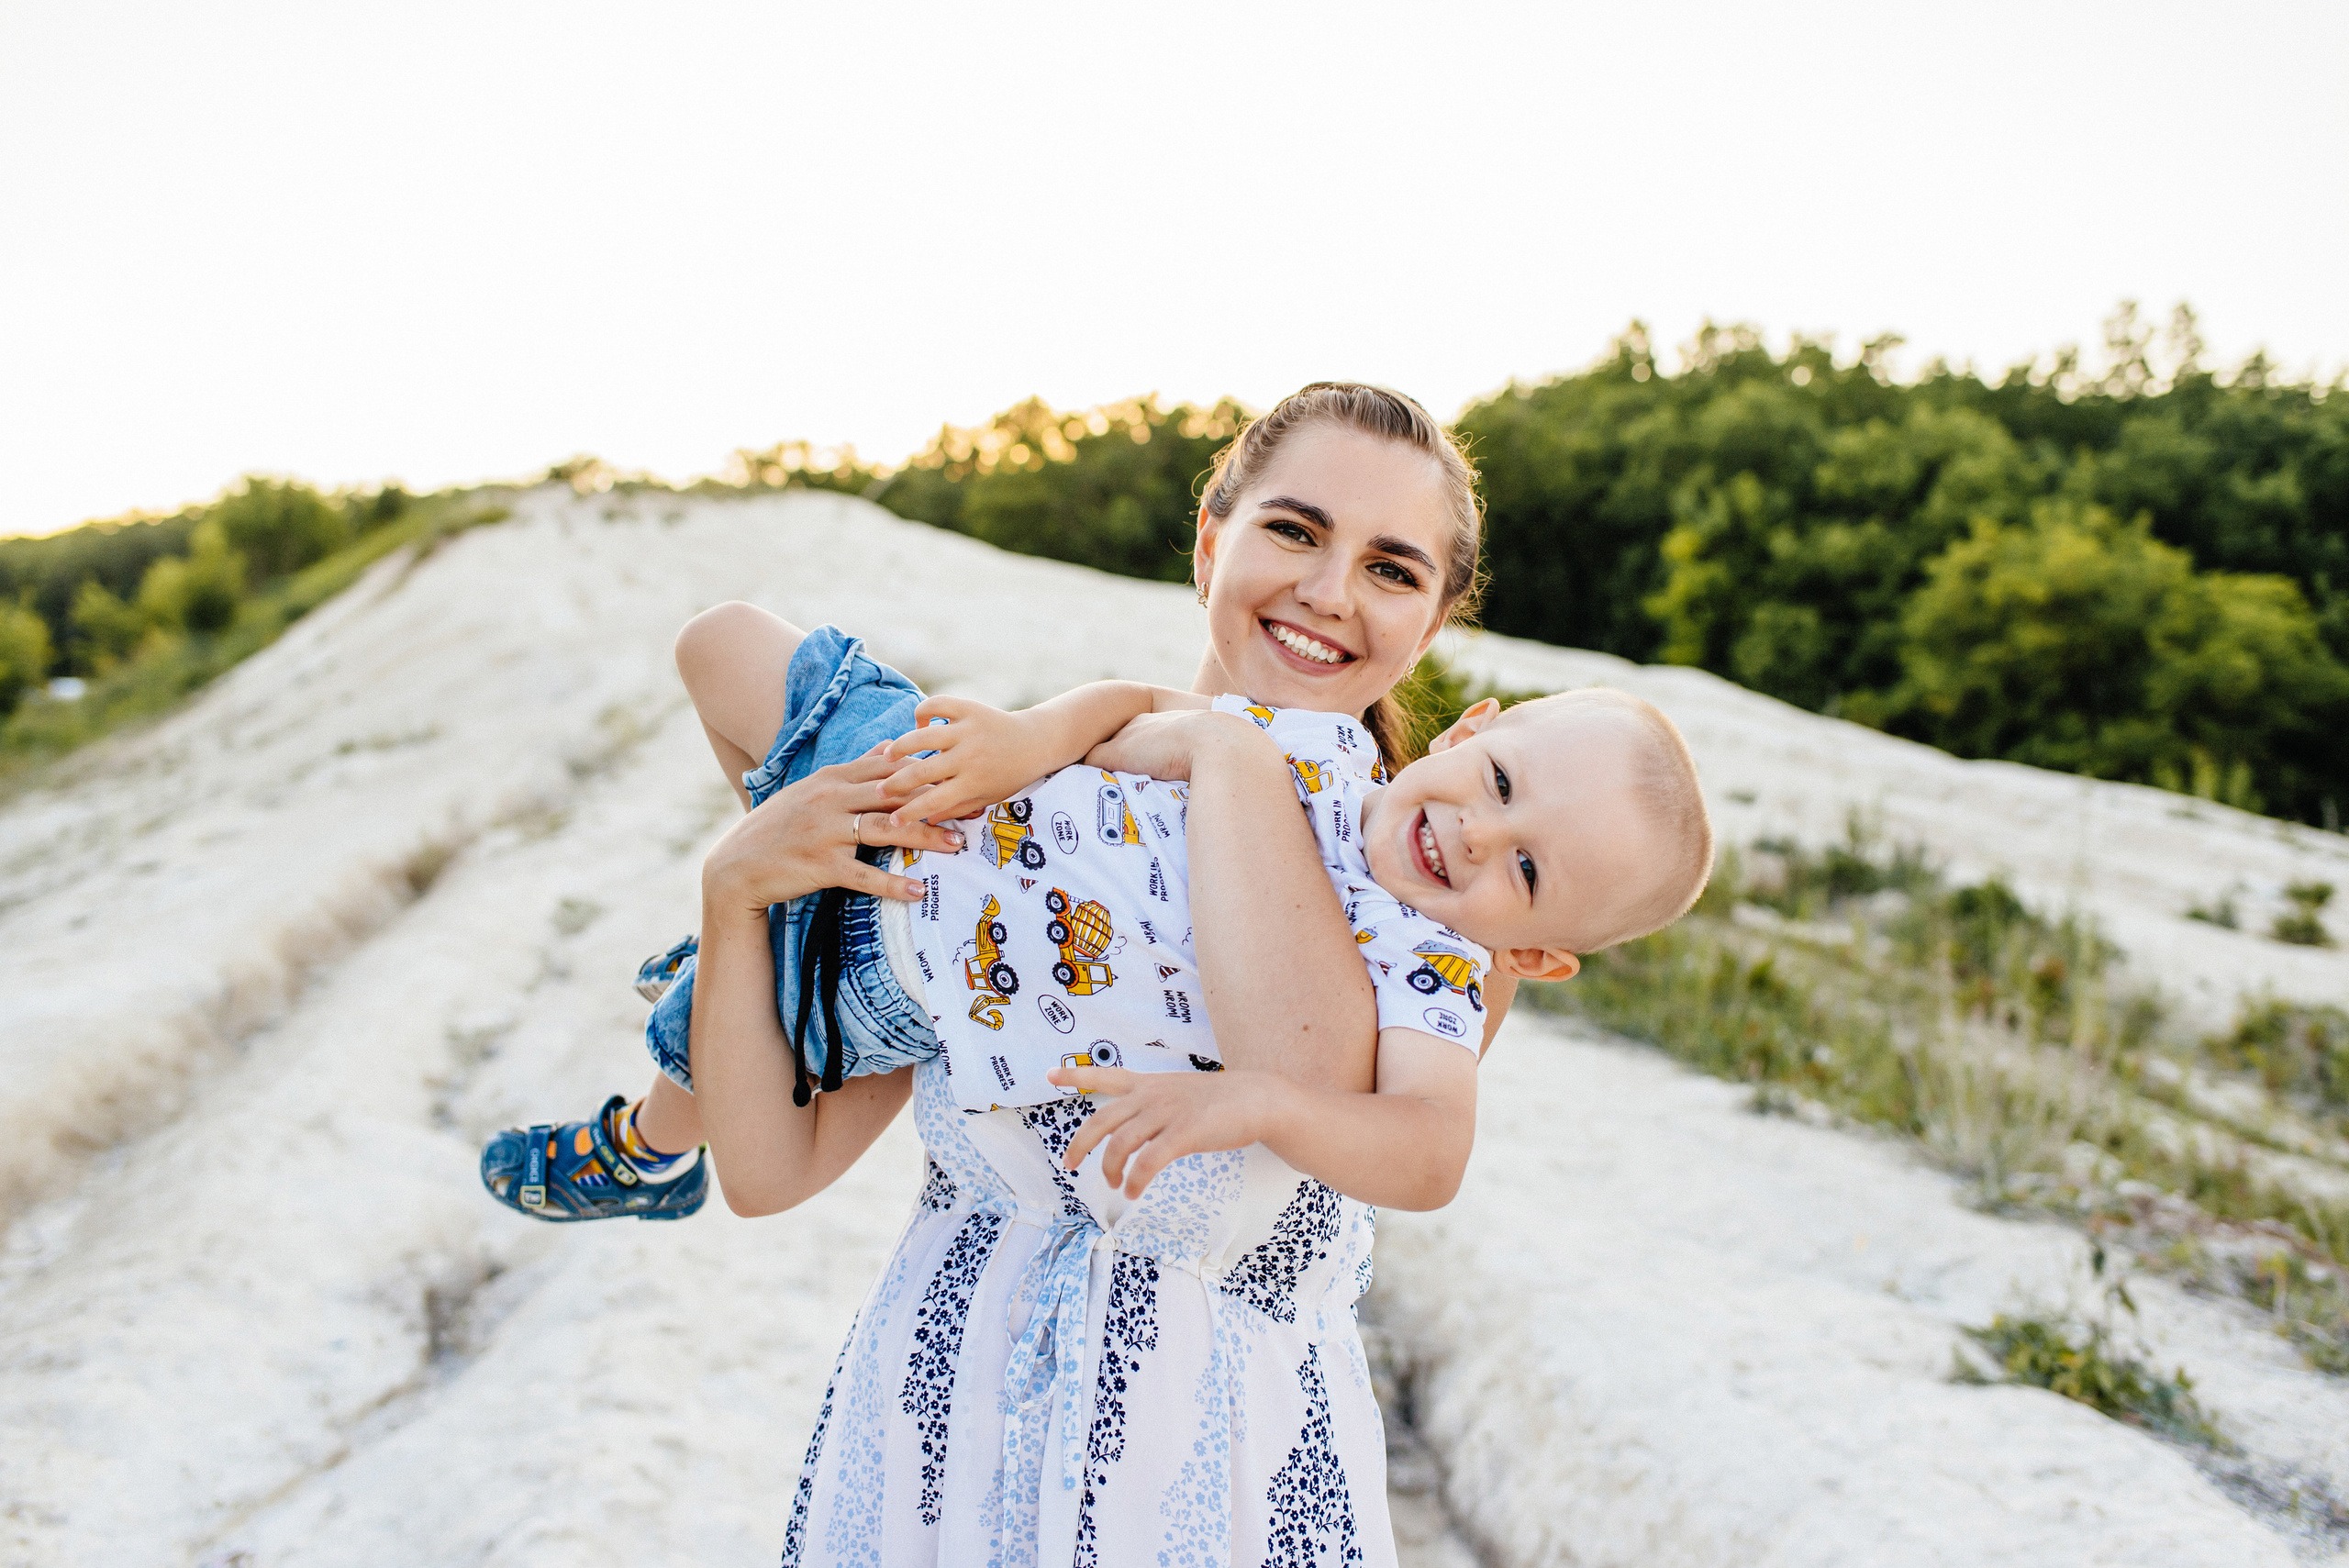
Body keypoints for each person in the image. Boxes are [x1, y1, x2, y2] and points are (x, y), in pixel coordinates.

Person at [485, 384, 1644, 1564]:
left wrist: (1220, 748)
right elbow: (769, 1172)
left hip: (1195, 1470)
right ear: (1210, 538)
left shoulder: (1434, 918)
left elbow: (1342, 1092)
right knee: (726, 648)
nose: (1330, 590)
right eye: (1294, 530)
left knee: (819, 967)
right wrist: (743, 891)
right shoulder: (1113, 792)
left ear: (1436, 618)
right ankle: (692, 1070)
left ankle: (689, 1076)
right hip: (935, 1422)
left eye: (1393, 569)